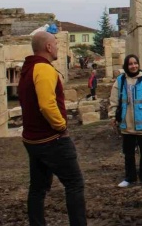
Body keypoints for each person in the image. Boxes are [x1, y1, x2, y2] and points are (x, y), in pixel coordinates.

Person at [18, 31, 87, 226]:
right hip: (51, 140)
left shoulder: (27, 69)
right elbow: (47, 104)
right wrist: (61, 126)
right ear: (48, 47)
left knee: (38, 188)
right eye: (55, 44)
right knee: (74, 184)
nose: (57, 47)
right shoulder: (44, 69)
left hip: (32, 140)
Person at [108, 54, 142, 188]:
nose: (133, 66)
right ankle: (130, 177)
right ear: (126, 66)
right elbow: (114, 100)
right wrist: (112, 116)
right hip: (126, 123)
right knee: (128, 153)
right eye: (130, 64)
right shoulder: (120, 81)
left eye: (135, 63)